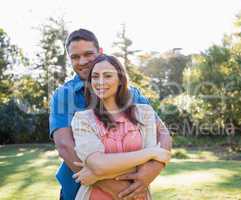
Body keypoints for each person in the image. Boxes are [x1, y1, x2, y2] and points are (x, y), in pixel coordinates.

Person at [49, 29, 172, 200]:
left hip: (134, 190)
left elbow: (163, 133)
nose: (82, 61)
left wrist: (149, 173)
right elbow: (65, 146)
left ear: (100, 52)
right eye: (75, 57)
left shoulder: (133, 95)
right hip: (78, 189)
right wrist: (112, 187)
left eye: (88, 54)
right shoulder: (64, 95)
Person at [71, 55, 171, 200]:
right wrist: (151, 152)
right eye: (95, 76)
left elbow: (147, 167)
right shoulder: (82, 119)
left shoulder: (144, 113)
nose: (100, 82)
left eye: (107, 76)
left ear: (120, 80)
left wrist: (98, 173)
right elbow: (98, 165)